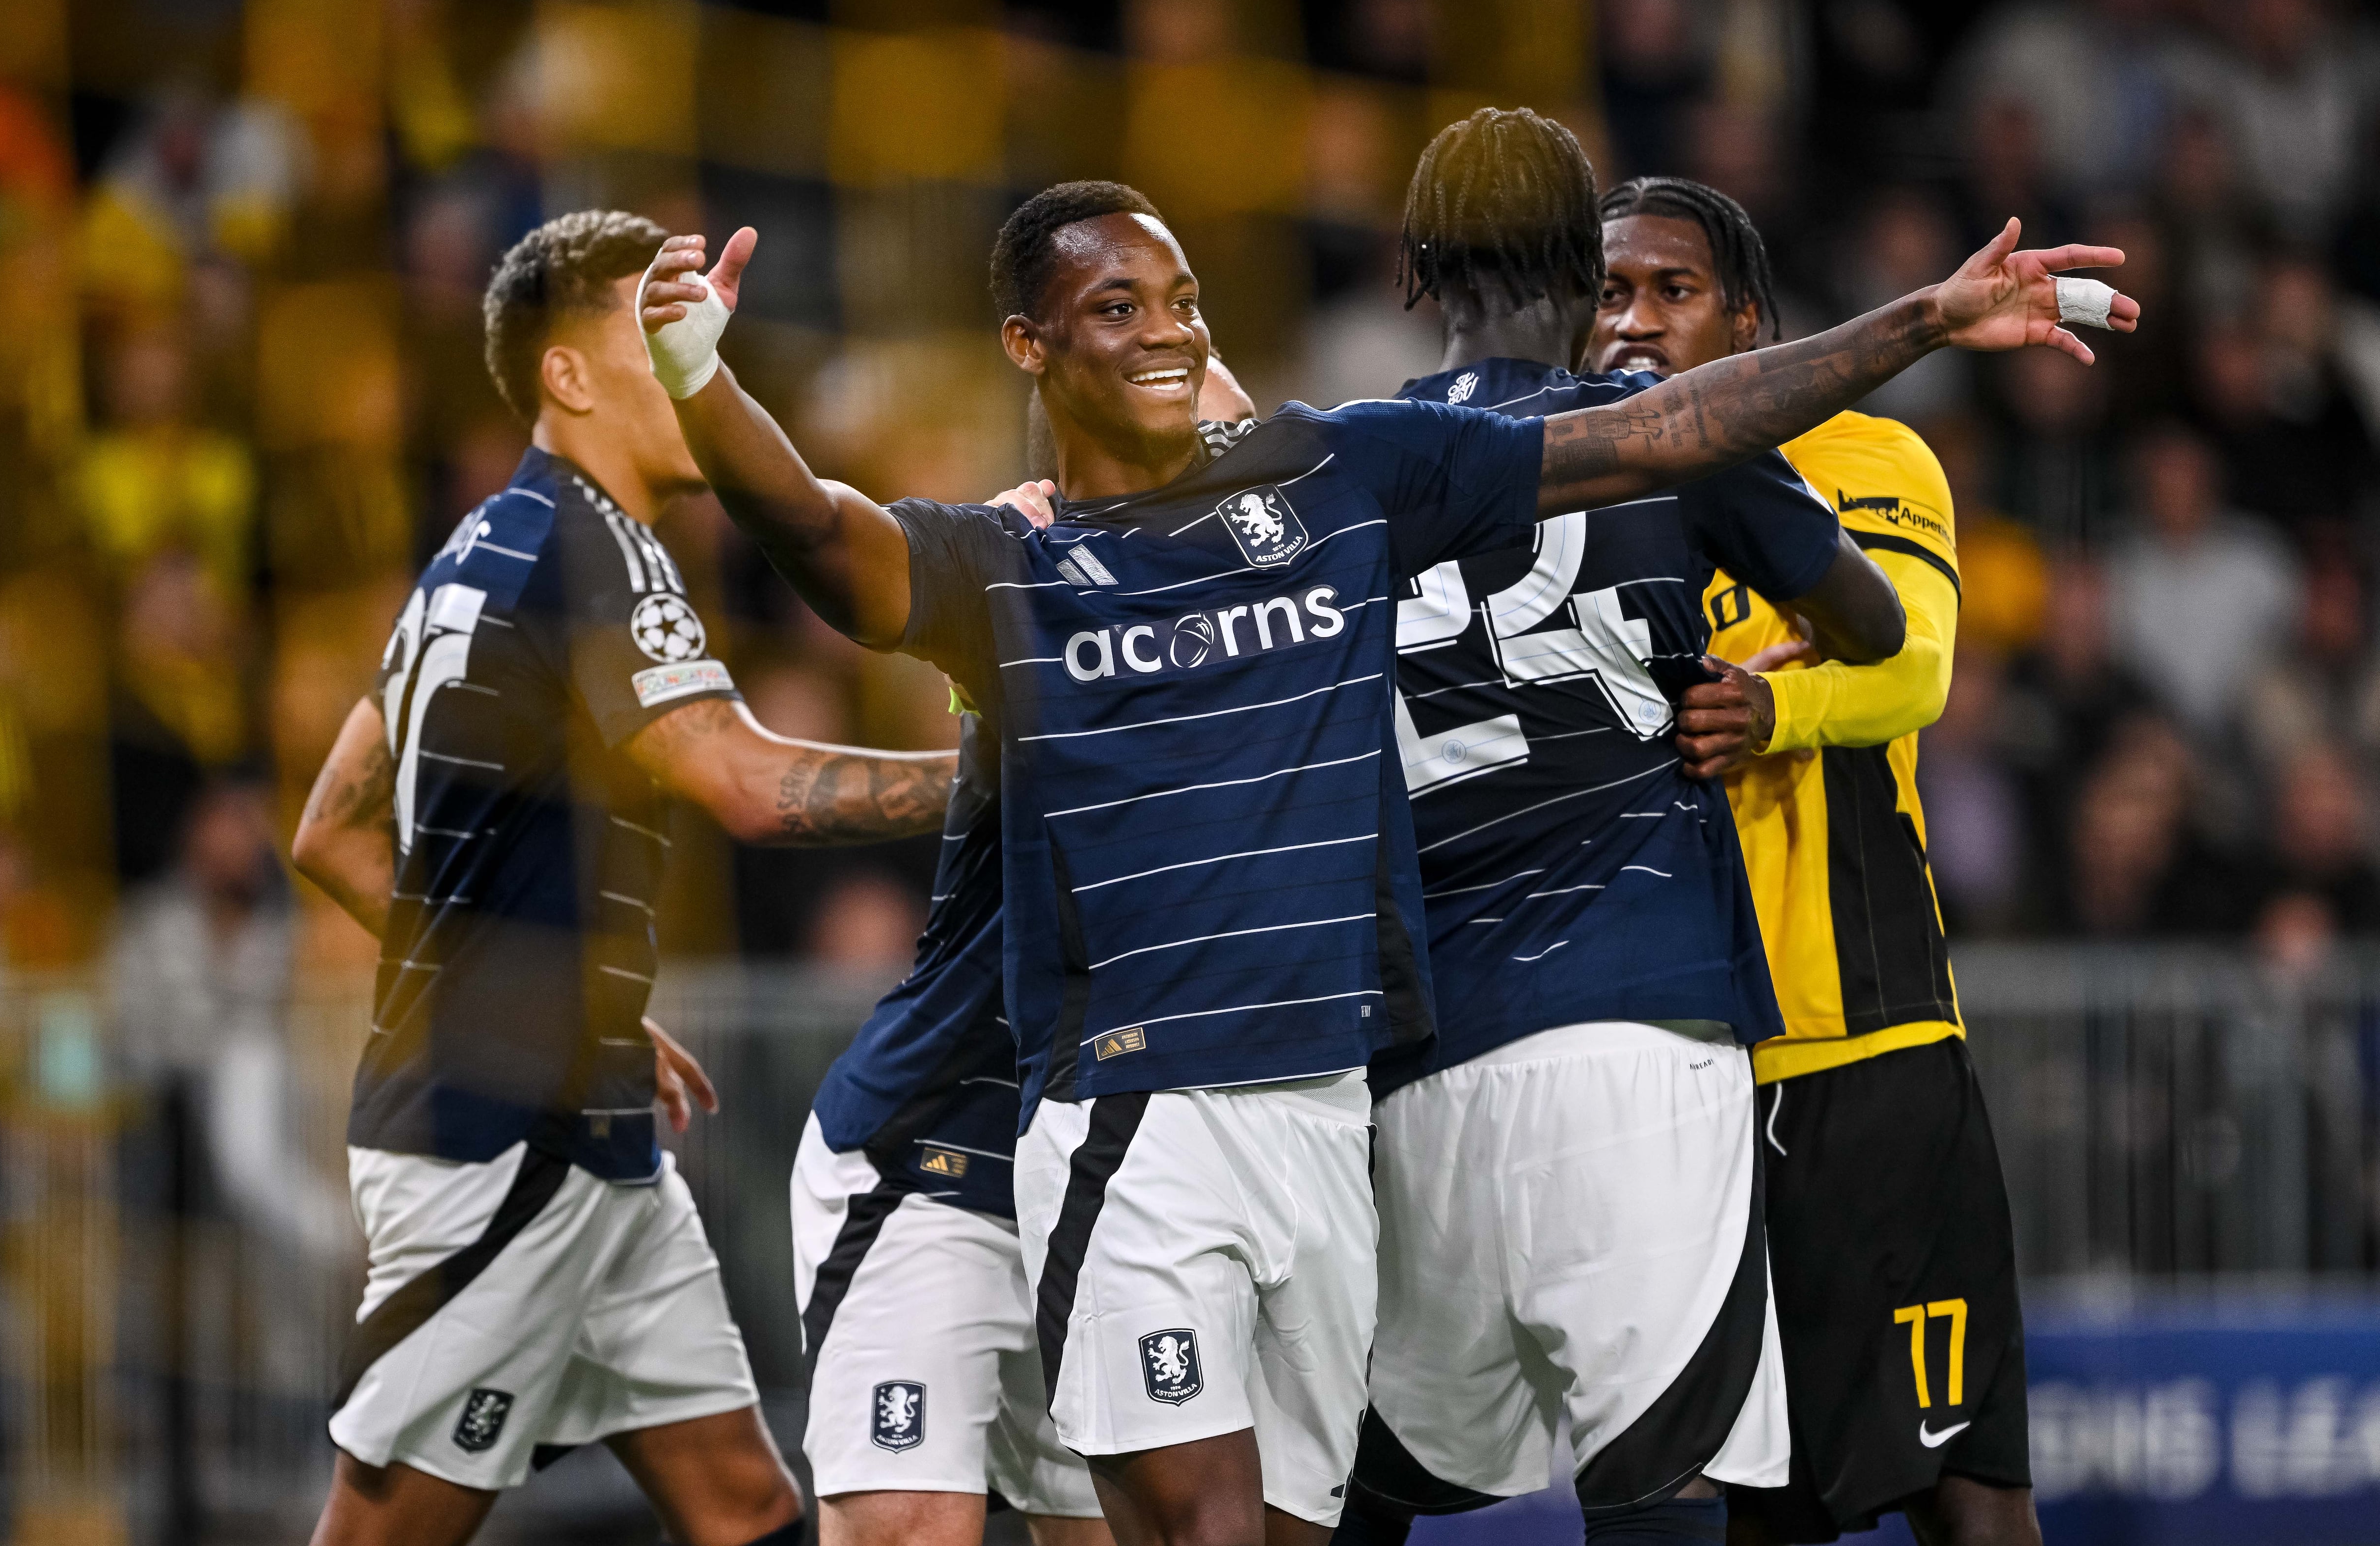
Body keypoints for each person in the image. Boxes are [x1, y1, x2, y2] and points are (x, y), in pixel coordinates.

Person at [638, 185, 2133, 1546]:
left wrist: (1925, 321)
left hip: (1333, 1127)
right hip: (1138, 1112)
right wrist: (705, 380)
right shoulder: (1018, 563)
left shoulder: (1346, 473)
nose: (1166, 332)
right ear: (1029, 346)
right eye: (1119, 307)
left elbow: (1665, 430)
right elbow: (823, 543)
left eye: (1184, 303)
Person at [290, 209, 960, 1546]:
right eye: (655, 344)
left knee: (745, 1504)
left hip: (592, 1133)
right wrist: (1001, 777)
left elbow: (334, 826)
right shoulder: (588, 551)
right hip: (492, 1143)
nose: (688, 371)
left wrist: (561, 991)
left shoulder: (483, 549)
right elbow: (747, 784)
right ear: (569, 375)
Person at [1325, 108, 1900, 1546]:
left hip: (1415, 1053)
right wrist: (1738, 674)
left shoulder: (1331, 466)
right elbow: (1873, 622)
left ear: (1413, 273)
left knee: (1357, 1479)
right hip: (1639, 1013)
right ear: (1591, 283)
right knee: (1662, 1480)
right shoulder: (1674, 438)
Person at [1587, 177, 2040, 1546]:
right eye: (1609, 292)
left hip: (1868, 1043)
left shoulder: (1862, 456)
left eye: (1673, 290)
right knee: (1751, 1515)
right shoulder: (1576, 487)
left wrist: (1778, 706)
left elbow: (1916, 664)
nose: (1635, 322)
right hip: (1671, 1078)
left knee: (1973, 1496)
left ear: (1751, 317)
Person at [794, 357, 1253, 1546]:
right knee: (912, 1522)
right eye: (1184, 454)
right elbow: (856, 559)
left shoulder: (1289, 660)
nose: (1224, 488)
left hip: (1112, 1193)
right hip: (939, 1159)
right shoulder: (1039, 594)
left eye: (1232, 455)